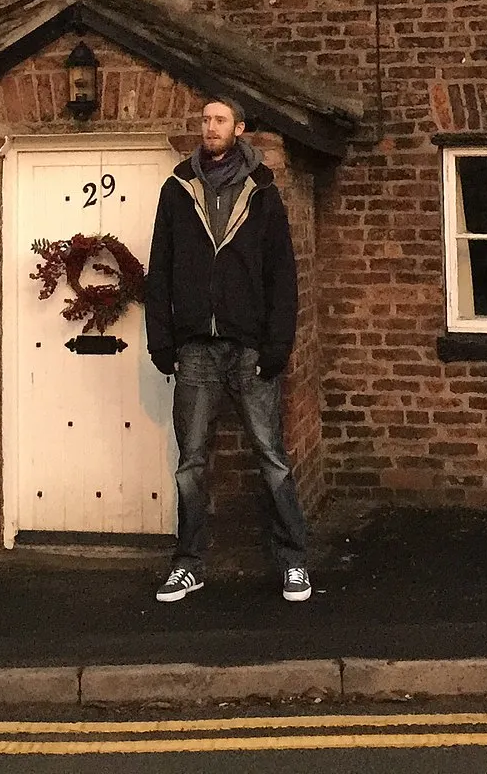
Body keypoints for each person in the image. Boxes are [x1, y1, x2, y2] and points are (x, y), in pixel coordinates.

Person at [144, 96, 311, 604]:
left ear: (238, 128)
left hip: (249, 347)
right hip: (194, 347)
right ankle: (188, 564)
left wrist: (277, 345)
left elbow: (283, 275)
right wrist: (162, 341)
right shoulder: (177, 190)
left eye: (219, 120)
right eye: (205, 120)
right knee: (190, 462)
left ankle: (295, 562)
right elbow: (161, 268)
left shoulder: (262, 192)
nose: (209, 127)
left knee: (272, 458)